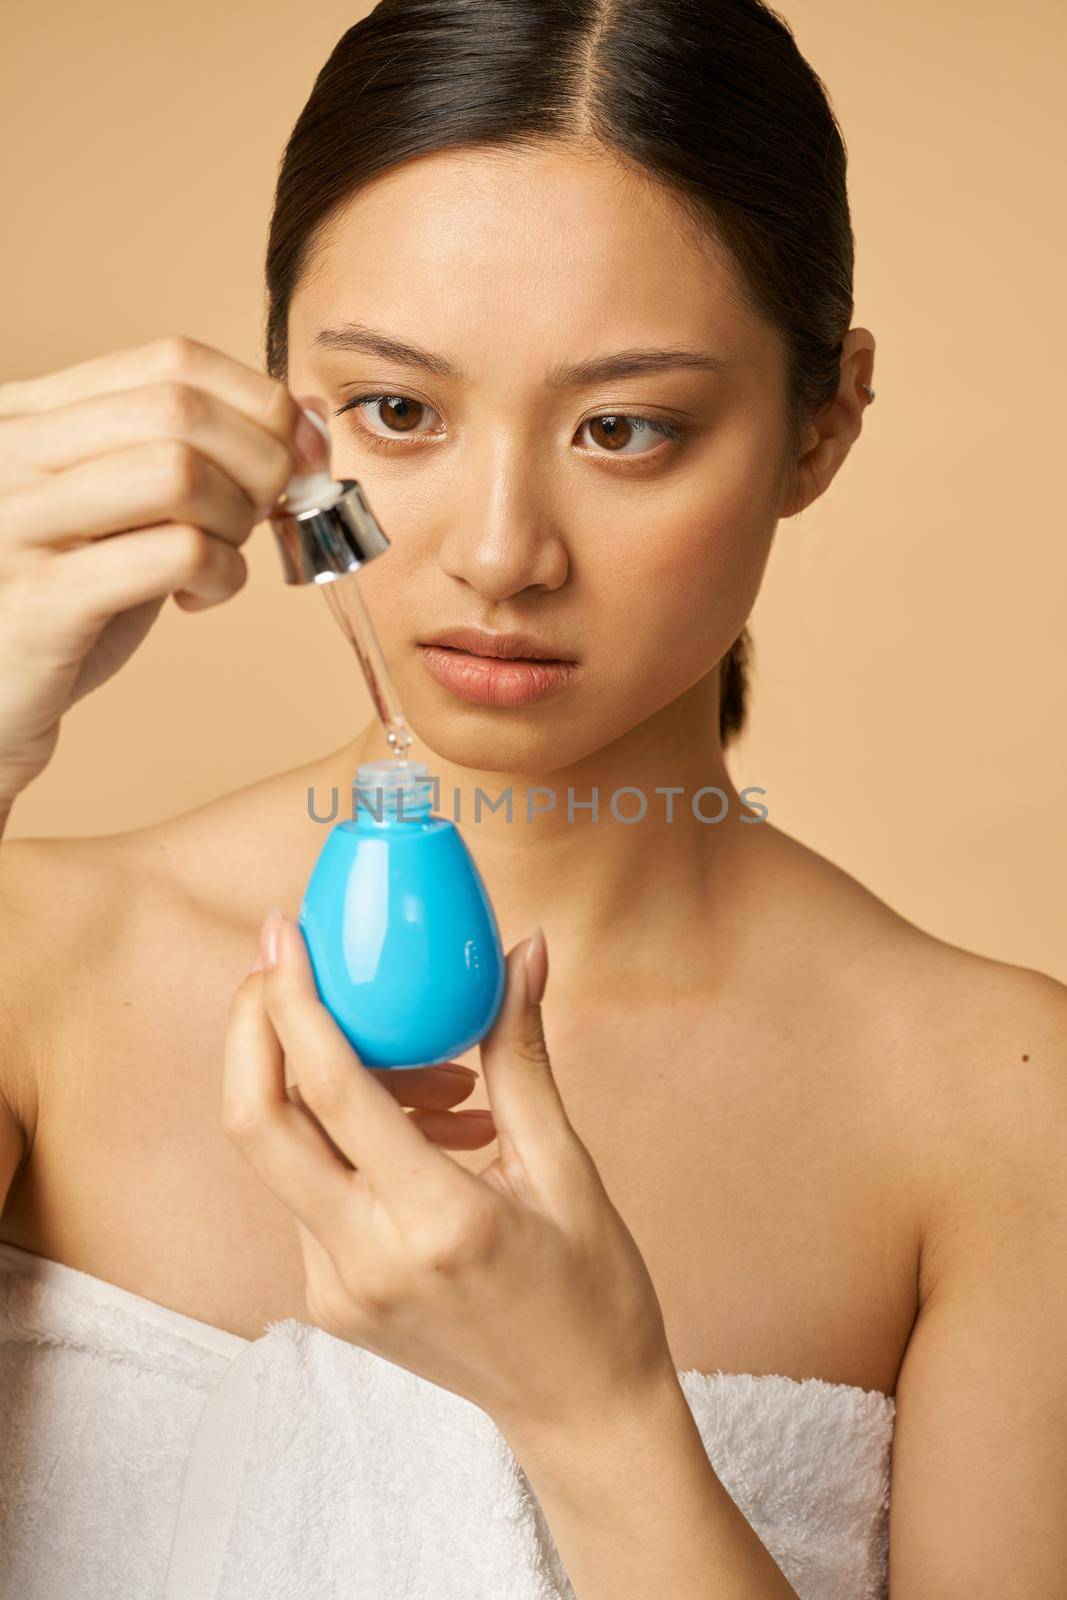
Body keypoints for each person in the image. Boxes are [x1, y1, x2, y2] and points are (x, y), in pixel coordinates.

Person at [0, 1, 1064, 1597]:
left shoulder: (1001, 1117)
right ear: (285, 405)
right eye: (399, 412)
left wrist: (598, 1416)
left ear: (821, 424)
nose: (500, 553)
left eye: (624, 429)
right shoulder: (34, 960)